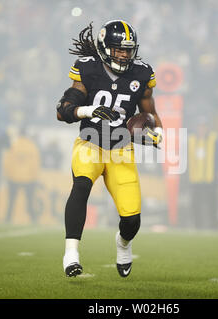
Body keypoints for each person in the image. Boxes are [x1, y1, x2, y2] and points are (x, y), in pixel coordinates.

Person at [56, 20, 163, 277]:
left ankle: (123, 243)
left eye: (128, 49)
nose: (124, 54)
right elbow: (63, 111)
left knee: (132, 219)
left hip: (121, 150)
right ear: (105, 48)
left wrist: (155, 135)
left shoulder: (141, 73)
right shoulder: (88, 69)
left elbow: (150, 114)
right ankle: (71, 254)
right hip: (90, 143)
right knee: (81, 186)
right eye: (118, 49)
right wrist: (87, 110)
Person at [187, 119, 218, 230]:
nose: (201, 129)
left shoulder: (215, 139)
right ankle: (197, 226)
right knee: (196, 205)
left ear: (207, 128)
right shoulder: (191, 139)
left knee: (212, 204)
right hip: (195, 179)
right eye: (199, 126)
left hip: (211, 179)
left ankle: (214, 227)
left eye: (203, 126)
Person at [3, 127, 41, 224]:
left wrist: (8, 174)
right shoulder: (32, 146)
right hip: (29, 178)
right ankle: (33, 220)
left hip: (14, 177)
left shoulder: (13, 145)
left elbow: (7, 161)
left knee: (11, 201)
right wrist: (34, 176)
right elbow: (35, 163)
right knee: (30, 201)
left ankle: (7, 219)